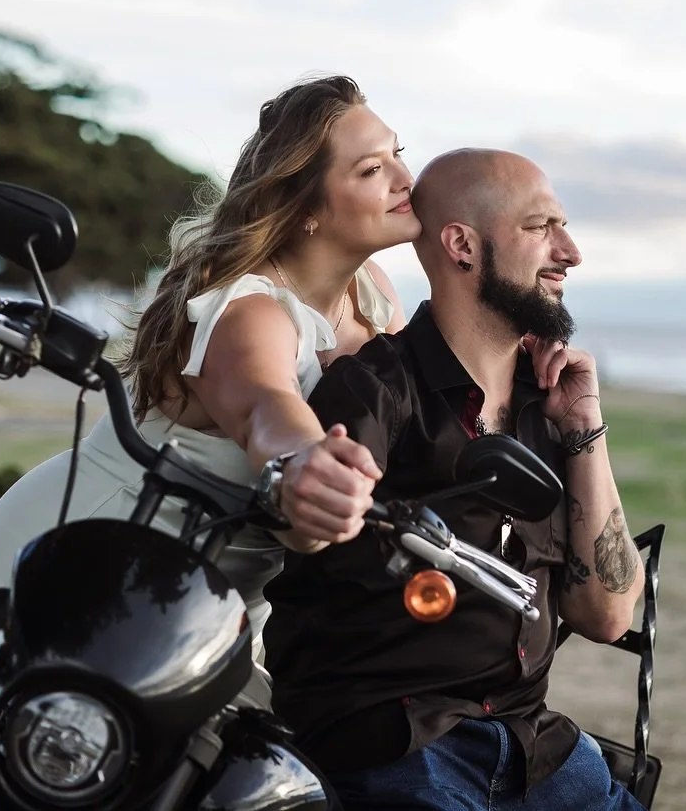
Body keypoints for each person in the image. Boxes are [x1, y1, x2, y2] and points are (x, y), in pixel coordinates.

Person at [0, 74, 417, 800]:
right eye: (370, 168)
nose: (403, 178)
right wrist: (303, 461)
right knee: (41, 776)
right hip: (94, 547)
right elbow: (264, 404)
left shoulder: (373, 293)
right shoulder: (248, 310)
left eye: (396, 154)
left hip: (206, 592)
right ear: (308, 210)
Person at [262, 147, 648, 810]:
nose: (571, 251)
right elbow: (308, 517)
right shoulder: (375, 389)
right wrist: (312, 496)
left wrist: (584, 424)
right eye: (541, 227)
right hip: (403, 749)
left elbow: (608, 614)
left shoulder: (548, 404)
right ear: (462, 244)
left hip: (537, 750)